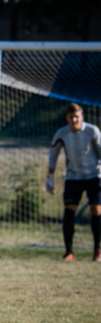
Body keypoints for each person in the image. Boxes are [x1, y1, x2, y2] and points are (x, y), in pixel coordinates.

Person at [46, 103, 101, 262]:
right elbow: (53, 155)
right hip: (73, 177)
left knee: (96, 212)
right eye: (71, 117)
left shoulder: (92, 131)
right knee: (69, 212)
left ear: (82, 116)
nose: (74, 119)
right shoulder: (62, 133)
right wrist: (50, 177)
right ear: (67, 118)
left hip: (94, 176)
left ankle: (98, 251)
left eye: (77, 116)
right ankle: (68, 252)